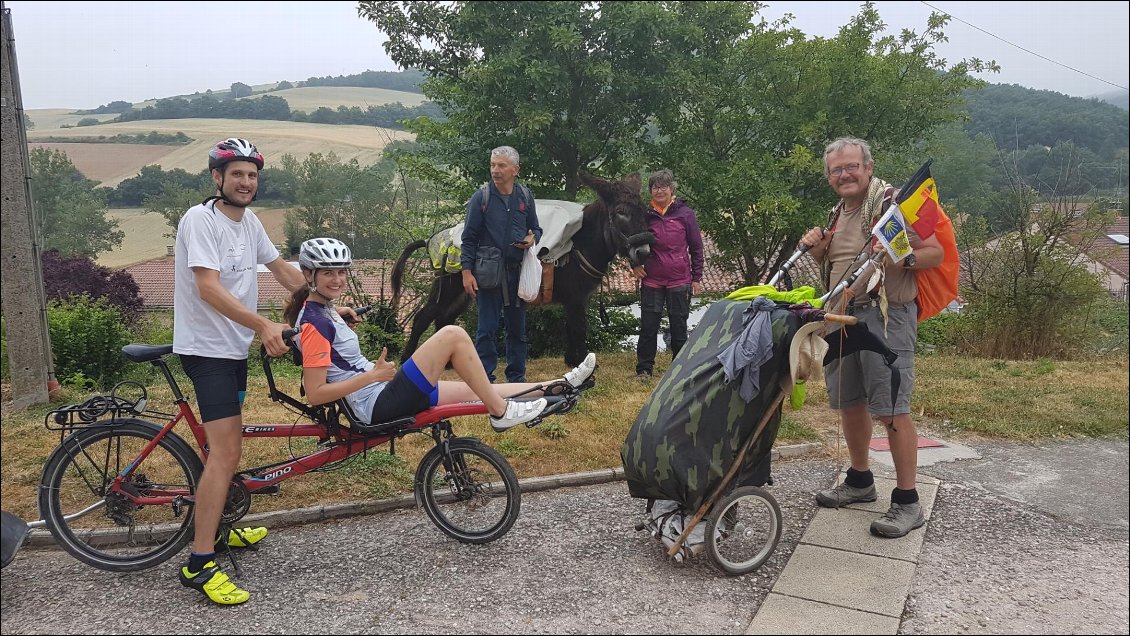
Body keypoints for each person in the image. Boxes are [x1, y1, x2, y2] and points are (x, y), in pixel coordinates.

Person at [172, 138, 355, 605]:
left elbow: (285, 272)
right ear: (218, 178)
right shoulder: (201, 220)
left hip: (232, 351)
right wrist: (264, 324)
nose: (246, 182)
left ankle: (216, 526)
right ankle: (199, 563)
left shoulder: (249, 222)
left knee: (222, 448)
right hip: (207, 351)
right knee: (226, 453)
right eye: (237, 174)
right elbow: (209, 289)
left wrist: (330, 306)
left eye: (252, 175)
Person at [283, 238, 596, 433]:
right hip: (375, 403)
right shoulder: (314, 323)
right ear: (309, 275)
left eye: (341, 272)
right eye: (328, 273)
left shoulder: (321, 313)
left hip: (383, 391)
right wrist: (373, 375)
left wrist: (338, 316)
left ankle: (560, 385)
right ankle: (500, 414)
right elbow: (316, 393)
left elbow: (319, 334)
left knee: (482, 389)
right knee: (452, 335)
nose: (337, 280)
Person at [798, 137, 944, 538]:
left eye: (851, 166)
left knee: (892, 407)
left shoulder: (891, 206)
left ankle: (908, 502)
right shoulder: (836, 213)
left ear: (868, 166)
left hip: (885, 316)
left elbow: (934, 253)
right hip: (841, 318)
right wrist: (817, 249)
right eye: (836, 170)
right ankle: (860, 481)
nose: (844, 174)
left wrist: (900, 254)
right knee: (850, 402)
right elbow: (835, 262)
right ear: (829, 177)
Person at [460, 146, 543, 383]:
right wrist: (467, 273)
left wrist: (532, 238)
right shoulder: (482, 197)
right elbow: (469, 238)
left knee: (517, 331)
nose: (495, 170)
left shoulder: (525, 197)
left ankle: (516, 378)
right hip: (488, 274)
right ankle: (484, 379)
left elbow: (536, 227)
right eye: (493, 165)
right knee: (486, 330)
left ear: (515, 170)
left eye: (501, 165)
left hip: (516, 273)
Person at [631, 169, 704, 378]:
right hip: (652, 279)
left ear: (672, 189)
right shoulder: (645, 215)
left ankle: (679, 371)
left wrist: (696, 277)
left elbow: (697, 248)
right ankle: (644, 369)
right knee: (648, 326)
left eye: (663, 186)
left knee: (679, 326)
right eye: (655, 187)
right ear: (650, 191)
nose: (659, 190)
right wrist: (634, 264)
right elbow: (632, 242)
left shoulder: (685, 214)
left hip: (679, 280)